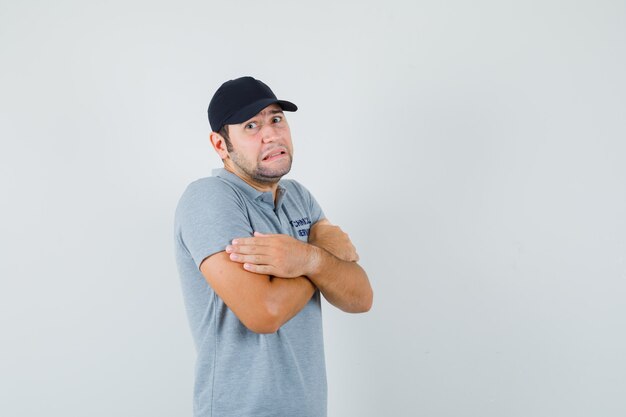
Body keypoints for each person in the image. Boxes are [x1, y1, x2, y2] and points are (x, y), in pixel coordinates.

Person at [174, 76, 373, 417]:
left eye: (276, 119)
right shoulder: (209, 199)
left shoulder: (299, 198)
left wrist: (308, 258)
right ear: (221, 145)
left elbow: (360, 297)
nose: (271, 134)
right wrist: (320, 257)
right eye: (251, 125)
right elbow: (264, 313)